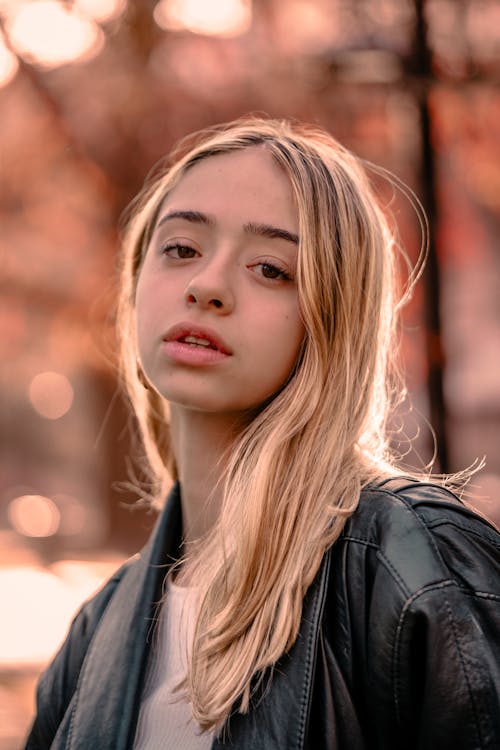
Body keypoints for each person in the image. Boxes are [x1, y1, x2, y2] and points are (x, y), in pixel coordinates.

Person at [25, 118, 499, 749]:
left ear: (330, 319)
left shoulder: (414, 565)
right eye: (182, 248)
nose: (207, 286)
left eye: (271, 268)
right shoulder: (98, 631)